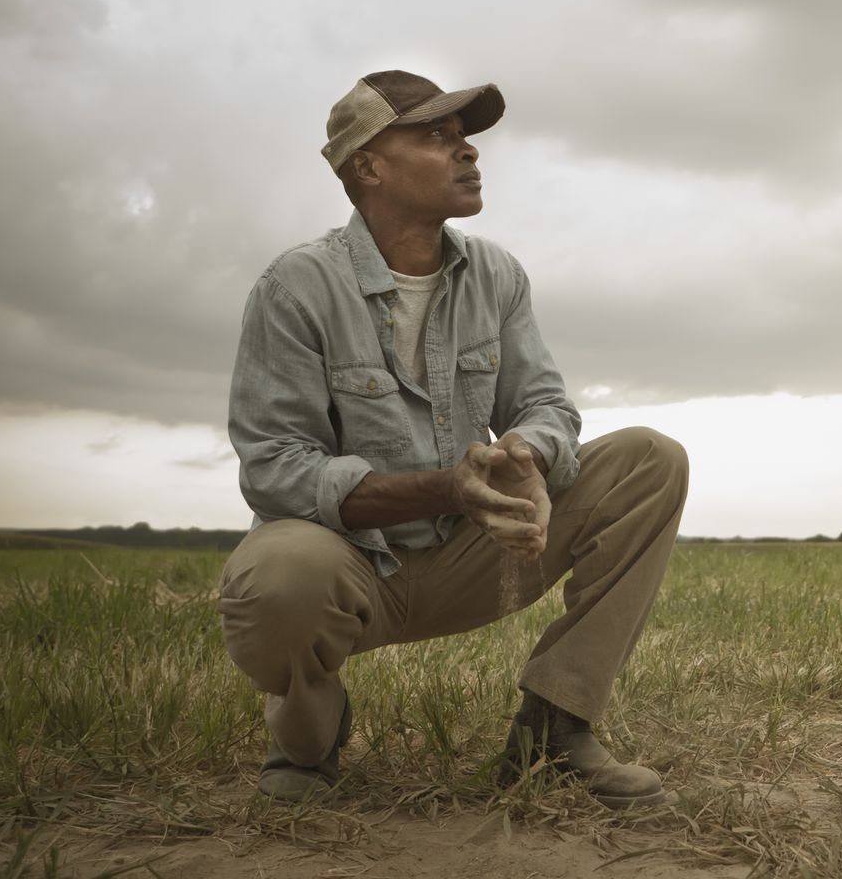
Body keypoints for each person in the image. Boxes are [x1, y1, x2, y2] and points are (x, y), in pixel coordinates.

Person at [218, 70, 688, 809]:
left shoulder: (496, 274)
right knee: (278, 573)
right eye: (436, 136)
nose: (467, 153)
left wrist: (527, 456)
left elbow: (542, 403)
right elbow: (275, 470)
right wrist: (443, 486)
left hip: (475, 555)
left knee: (649, 460)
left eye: (465, 139)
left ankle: (554, 729)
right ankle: (308, 739)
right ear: (367, 166)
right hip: (354, 568)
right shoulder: (296, 287)